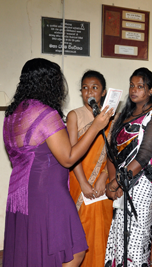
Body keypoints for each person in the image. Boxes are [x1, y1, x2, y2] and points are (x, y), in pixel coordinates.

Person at [2, 58, 113, 267]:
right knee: (75, 251)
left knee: (35, 250)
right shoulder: (45, 113)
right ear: (49, 82)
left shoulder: (13, 114)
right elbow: (69, 157)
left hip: (21, 192)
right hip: (48, 192)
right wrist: (96, 126)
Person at [104, 68, 152, 267]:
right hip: (122, 182)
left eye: (140, 86)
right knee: (119, 238)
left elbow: (143, 156)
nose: (134, 90)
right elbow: (112, 151)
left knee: (137, 240)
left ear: (150, 91)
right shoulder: (124, 115)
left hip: (141, 183)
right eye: (132, 85)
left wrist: (117, 181)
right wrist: (113, 182)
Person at [66, 70, 114, 267]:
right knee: (82, 230)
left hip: (104, 184)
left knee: (102, 229)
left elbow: (115, 153)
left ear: (103, 92)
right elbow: (71, 153)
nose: (89, 92)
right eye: (85, 88)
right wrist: (84, 183)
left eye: (94, 88)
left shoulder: (112, 115)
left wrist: (104, 176)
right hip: (80, 182)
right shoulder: (74, 115)